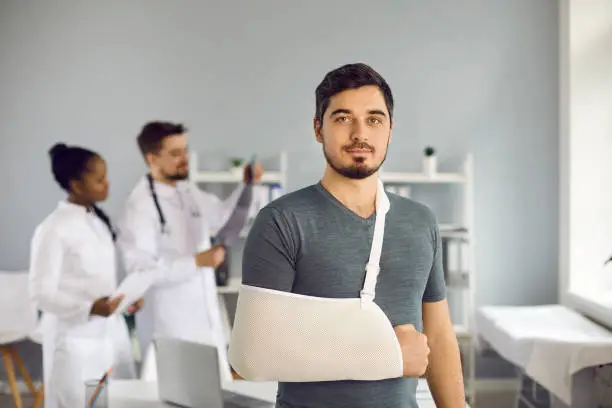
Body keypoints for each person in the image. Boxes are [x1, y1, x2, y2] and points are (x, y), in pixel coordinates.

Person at [240, 63, 465, 407]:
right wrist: (386, 356)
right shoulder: (282, 221)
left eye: (374, 119)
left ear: (390, 129)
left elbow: (439, 336)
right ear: (318, 128)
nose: (360, 133)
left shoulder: (420, 222)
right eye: (343, 118)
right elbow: (251, 358)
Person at [117, 121, 263, 380]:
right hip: (169, 323)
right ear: (152, 158)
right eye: (175, 154)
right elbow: (141, 272)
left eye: (185, 150)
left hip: (205, 319)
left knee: (215, 393)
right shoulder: (139, 207)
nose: (184, 159)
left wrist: (247, 187)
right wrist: (196, 261)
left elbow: (222, 216)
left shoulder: (187, 191)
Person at [29, 143, 141, 408]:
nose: (107, 183)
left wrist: (125, 301)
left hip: (108, 335)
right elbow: (40, 294)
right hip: (73, 340)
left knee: (118, 401)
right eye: (99, 179)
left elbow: (98, 282)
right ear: (76, 185)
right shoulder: (53, 228)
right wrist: (89, 308)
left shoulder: (99, 222)